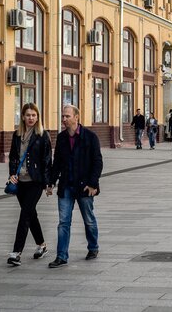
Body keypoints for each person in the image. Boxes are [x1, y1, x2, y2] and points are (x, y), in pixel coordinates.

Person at [48, 105, 103, 269]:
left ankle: (93, 247)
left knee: (89, 220)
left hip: (85, 186)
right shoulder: (61, 138)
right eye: (63, 116)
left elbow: (97, 162)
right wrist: (51, 182)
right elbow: (57, 162)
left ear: (77, 117)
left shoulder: (90, 137)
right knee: (63, 222)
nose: (64, 119)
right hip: (66, 186)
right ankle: (61, 256)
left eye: (67, 116)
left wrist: (93, 184)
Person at [6, 103, 52, 266]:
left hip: (35, 182)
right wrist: (12, 174)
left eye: (34, 115)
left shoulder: (42, 135)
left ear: (38, 117)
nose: (31, 118)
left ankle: (16, 252)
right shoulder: (17, 135)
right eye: (28, 115)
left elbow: (47, 160)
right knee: (31, 214)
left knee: (24, 215)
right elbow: (13, 157)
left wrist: (48, 183)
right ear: (23, 117)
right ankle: (42, 245)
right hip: (20, 182)